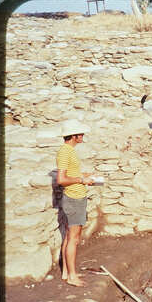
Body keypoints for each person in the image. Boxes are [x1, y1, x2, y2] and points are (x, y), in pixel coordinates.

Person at [56, 119, 95, 287]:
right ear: (74, 136)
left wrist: (83, 176)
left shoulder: (68, 151)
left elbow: (69, 174)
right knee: (74, 238)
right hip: (74, 199)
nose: (82, 136)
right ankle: (72, 276)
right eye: (80, 133)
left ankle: (66, 272)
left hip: (75, 196)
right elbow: (61, 179)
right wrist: (81, 180)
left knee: (69, 236)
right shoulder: (65, 152)